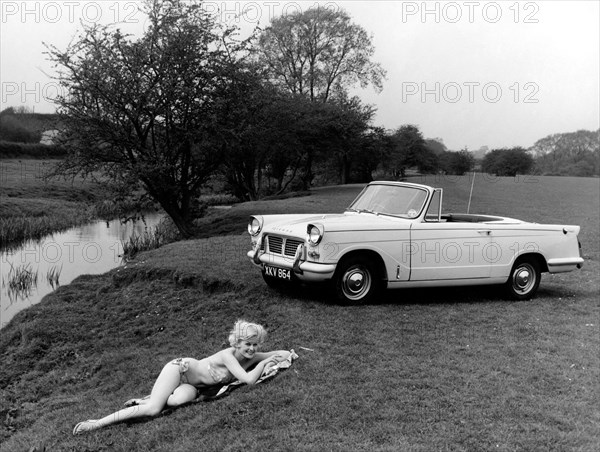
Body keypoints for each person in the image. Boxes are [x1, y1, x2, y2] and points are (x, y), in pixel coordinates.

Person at [73, 320, 292, 435]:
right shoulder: (229, 356)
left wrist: (278, 356)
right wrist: (263, 363)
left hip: (193, 386)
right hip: (180, 369)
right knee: (154, 410)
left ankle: (147, 399)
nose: (252, 350)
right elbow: (249, 380)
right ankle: (97, 423)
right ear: (237, 343)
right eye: (248, 345)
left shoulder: (248, 357)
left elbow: (283, 353)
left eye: (256, 345)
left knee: (176, 402)